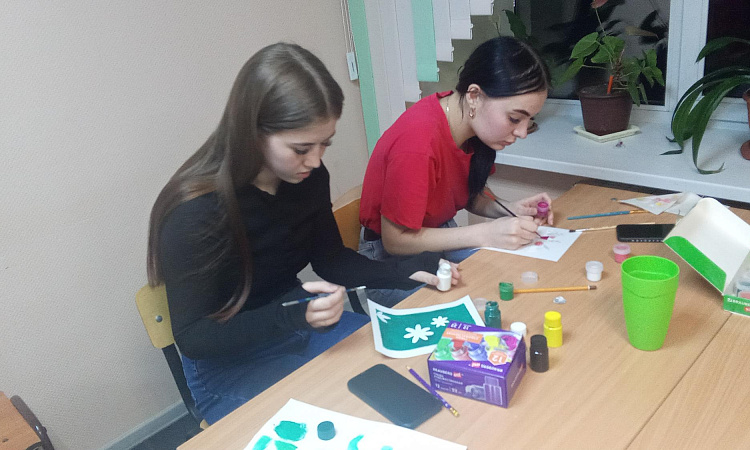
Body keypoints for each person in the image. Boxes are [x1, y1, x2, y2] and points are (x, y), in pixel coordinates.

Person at [146, 43, 457, 425]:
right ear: (253, 133)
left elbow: (331, 260)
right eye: (301, 148)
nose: (315, 160)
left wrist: (403, 271)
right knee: (344, 418)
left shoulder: (307, 177)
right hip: (228, 362)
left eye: (325, 143)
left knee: (405, 381)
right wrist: (291, 317)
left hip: (296, 322)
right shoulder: (195, 212)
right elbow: (195, 337)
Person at [360, 36, 555, 264]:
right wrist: (486, 233)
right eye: (514, 118)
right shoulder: (418, 143)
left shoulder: (468, 127)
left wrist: (511, 209)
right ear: (474, 96)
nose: (522, 132)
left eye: (530, 119)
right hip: (391, 256)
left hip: (435, 233)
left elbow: (469, 195)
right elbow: (395, 241)